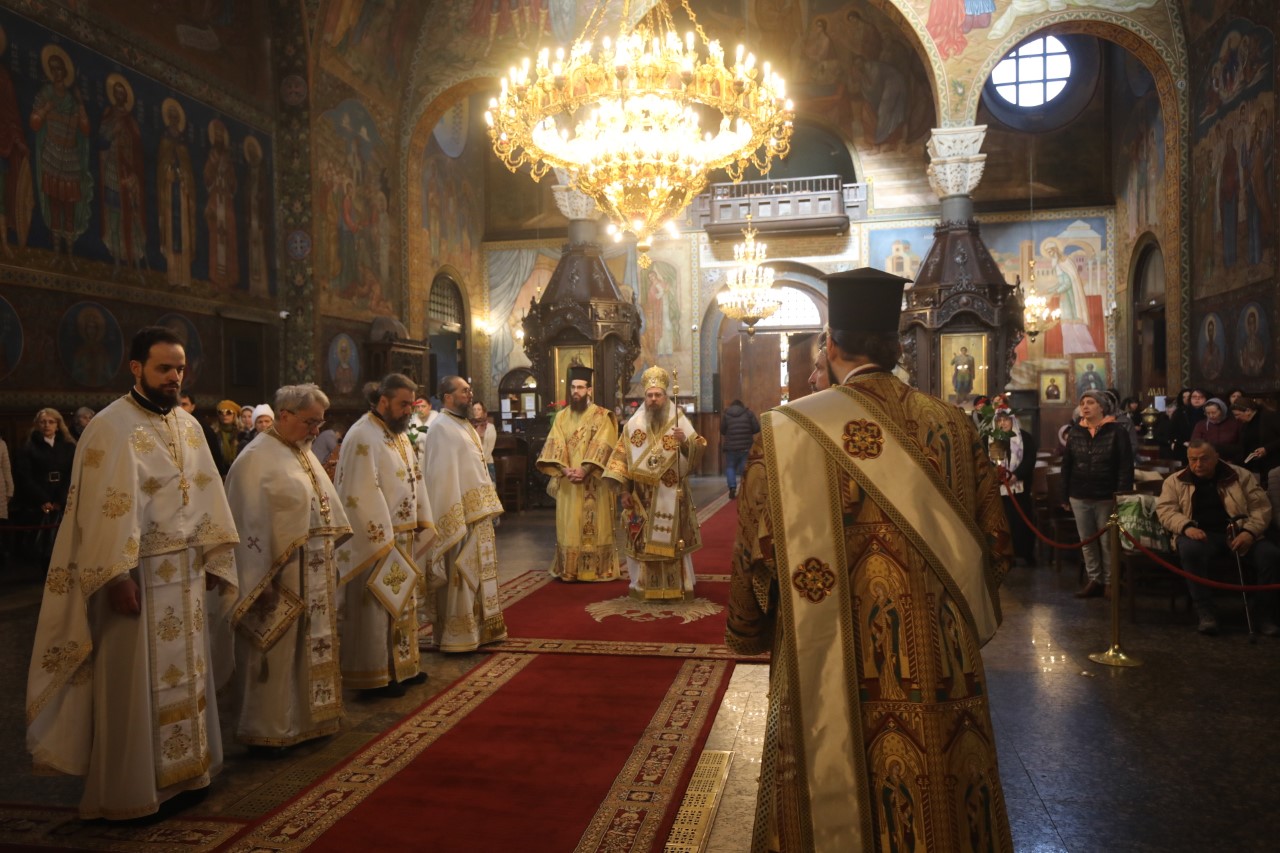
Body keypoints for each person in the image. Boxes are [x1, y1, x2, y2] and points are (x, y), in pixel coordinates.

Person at [725, 268, 1013, 852]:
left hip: (829, 652)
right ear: (898, 345)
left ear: (830, 346)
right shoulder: (954, 426)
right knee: (935, 786)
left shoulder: (785, 432)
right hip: (938, 658)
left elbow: (757, 552)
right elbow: (997, 546)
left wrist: (747, 629)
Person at [25, 325, 238, 820]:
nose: (174, 377)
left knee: (189, 673)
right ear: (137, 368)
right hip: (135, 574)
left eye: (180, 369)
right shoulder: (110, 426)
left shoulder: (187, 426)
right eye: (165, 368)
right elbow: (100, 510)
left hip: (184, 572)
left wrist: (210, 555)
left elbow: (206, 490)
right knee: (135, 685)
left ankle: (189, 774)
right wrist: (116, 576)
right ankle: (134, 789)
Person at [225, 383, 352, 751]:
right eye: (311, 423)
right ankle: (272, 728)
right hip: (276, 576)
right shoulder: (254, 460)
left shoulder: (303, 452)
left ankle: (312, 721)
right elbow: (247, 523)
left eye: (319, 423)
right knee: (278, 652)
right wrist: (257, 578)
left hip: (313, 570)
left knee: (310, 646)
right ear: (284, 416)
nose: (317, 431)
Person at [334, 373, 433, 696]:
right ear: (383, 400)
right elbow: (359, 492)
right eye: (403, 404)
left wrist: (420, 517)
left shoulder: (398, 434)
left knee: (402, 603)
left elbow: (413, 478)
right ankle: (374, 676)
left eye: (411, 405)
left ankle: (403, 668)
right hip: (375, 540)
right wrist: (382, 537)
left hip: (400, 536)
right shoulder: (363, 435)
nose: (408, 411)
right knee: (376, 608)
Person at [1156, 440, 1280, 636]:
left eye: (1204, 459)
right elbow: (1166, 510)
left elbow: (1261, 508)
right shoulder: (1175, 480)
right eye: (1193, 460)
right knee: (1190, 550)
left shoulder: (1240, 476)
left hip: (1239, 531)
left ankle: (1264, 615)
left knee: (1270, 555)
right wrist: (1186, 526)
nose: (1198, 464)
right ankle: (1206, 613)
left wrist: (1250, 532)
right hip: (1200, 533)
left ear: (1216, 457)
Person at [604, 365, 706, 601]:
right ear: (645, 397)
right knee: (642, 542)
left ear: (665, 395)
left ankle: (678, 584)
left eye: (657, 395)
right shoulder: (633, 425)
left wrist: (684, 442)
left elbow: (699, 447)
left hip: (672, 492)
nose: (653, 399)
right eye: (649, 395)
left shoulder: (678, 419)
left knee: (674, 543)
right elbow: (621, 458)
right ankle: (642, 586)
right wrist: (624, 491)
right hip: (642, 496)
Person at [422, 376, 508, 651]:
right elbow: (440, 477)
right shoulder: (440, 429)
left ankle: (482, 629)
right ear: (447, 396)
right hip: (458, 515)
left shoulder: (462, 424)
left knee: (479, 575)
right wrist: (453, 515)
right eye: (464, 391)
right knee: (461, 574)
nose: (470, 395)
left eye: (470, 391)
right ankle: (457, 636)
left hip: (477, 513)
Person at [536, 366, 620, 583]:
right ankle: (570, 570)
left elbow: (605, 444)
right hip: (568, 483)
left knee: (596, 526)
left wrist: (584, 469)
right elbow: (554, 446)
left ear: (589, 390)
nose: (576, 391)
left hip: (594, 482)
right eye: (573, 387)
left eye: (581, 387)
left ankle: (599, 569)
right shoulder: (562, 417)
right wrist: (565, 470)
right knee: (570, 526)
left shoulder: (602, 416)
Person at [1061, 389, 1134, 598]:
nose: (1085, 406)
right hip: (1079, 494)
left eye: (1090, 402)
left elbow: (1125, 467)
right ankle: (1095, 579)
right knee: (1087, 541)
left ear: (1101, 407)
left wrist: (1121, 495)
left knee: (1108, 541)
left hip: (1105, 495)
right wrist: (1064, 494)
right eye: (1083, 402)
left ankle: (1111, 581)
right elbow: (1067, 465)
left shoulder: (1117, 431)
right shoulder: (1076, 431)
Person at [13, 408, 76, 563]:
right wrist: (43, 499)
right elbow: (24, 477)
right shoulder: (28, 447)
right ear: (37, 425)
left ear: (58, 424)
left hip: (62, 497)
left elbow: (72, 473)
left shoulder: (69, 446)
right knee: (43, 545)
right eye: (43, 422)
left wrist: (60, 500)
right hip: (39, 498)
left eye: (51, 422)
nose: (47, 425)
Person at [991, 407, 1038, 566]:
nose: (1003, 423)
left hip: (1020, 488)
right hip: (1000, 490)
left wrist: (1016, 476)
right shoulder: (993, 439)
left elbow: (1029, 460)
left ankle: (1025, 553)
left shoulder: (1025, 438)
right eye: (999, 421)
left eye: (1006, 420)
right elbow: (990, 462)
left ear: (1013, 420)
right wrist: (999, 475)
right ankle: (1006, 554)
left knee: (1022, 522)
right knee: (1004, 522)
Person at [1232, 397, 1280, 488]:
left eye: (1237, 415)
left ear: (1248, 411)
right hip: (1254, 468)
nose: (1236, 418)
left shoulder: (1269, 417)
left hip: (1273, 464)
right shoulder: (1244, 425)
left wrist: (1266, 449)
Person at [720, 398, 759, 500]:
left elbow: (722, 430)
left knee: (730, 467)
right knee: (745, 468)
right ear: (742, 405)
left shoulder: (726, 414)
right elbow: (756, 428)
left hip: (731, 447)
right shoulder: (748, 413)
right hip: (745, 446)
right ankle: (745, 488)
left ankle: (732, 487)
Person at [179, 393, 226, 477]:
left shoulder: (202, 427)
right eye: (178, 405)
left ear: (192, 407)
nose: (180, 408)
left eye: (184, 404)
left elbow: (214, 453)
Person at [1191, 397, 1244, 463]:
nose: (1211, 416)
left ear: (1222, 411)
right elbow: (1195, 444)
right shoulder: (1201, 425)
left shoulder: (1235, 424)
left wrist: (1233, 460)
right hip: (1206, 462)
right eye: (1208, 413)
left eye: (1214, 412)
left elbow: (1241, 446)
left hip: (1231, 461)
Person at [212, 398, 243, 470]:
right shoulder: (214, 433)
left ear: (234, 415)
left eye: (228, 412)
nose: (224, 415)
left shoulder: (242, 433)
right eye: (220, 412)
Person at [471, 401, 497, 482]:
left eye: (479, 409)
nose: (476, 411)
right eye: (474, 409)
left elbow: (490, 448)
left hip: (486, 462)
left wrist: (481, 462)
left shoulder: (490, 427)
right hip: (472, 464)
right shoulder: (469, 426)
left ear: (483, 411)